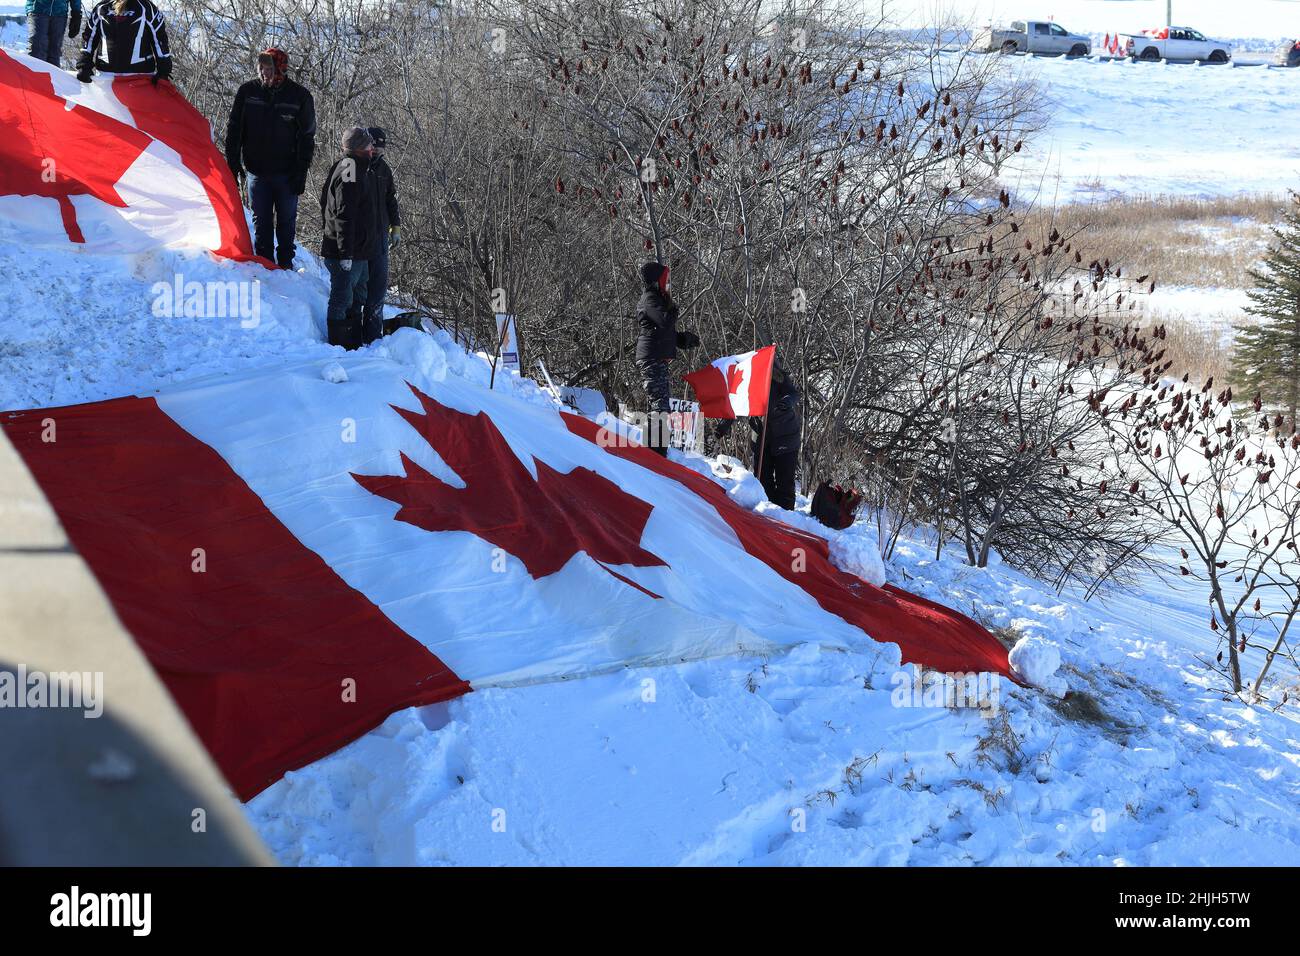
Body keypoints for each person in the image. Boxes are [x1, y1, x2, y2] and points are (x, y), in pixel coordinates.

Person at [225, 49, 317, 269]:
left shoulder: (300, 96)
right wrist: (233, 161)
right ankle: (266, 267)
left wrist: (301, 172)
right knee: (261, 223)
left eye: (268, 68)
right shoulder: (247, 92)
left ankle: (285, 265)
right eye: (261, 67)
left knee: (286, 223)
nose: (263, 73)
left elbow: (307, 137)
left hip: (287, 174)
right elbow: (234, 128)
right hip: (256, 171)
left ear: (280, 70)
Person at [320, 127, 381, 350]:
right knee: (342, 298)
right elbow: (343, 214)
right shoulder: (349, 169)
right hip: (346, 252)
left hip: (360, 251)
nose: (372, 149)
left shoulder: (358, 168)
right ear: (356, 148)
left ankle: (353, 342)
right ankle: (339, 345)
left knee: (358, 296)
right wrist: (345, 252)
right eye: (367, 145)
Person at [716, 360, 802, 510]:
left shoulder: (778, 377)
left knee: (785, 480)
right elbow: (737, 405)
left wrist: (787, 401)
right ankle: (767, 511)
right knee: (762, 478)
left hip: (785, 436)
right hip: (762, 438)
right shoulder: (748, 382)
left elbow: (794, 393)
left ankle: (785, 515)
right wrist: (724, 426)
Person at [635, 262, 698, 456]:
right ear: (657, 281)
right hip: (651, 357)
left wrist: (682, 340)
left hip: (656, 356)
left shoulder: (656, 298)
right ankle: (654, 454)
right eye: (666, 280)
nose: (669, 284)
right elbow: (665, 320)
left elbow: (663, 330)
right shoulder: (650, 298)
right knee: (659, 405)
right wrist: (673, 308)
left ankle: (655, 451)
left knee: (661, 404)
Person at [362, 127, 400, 344]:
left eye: (380, 148)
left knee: (377, 289)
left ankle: (373, 336)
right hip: (359, 239)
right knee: (359, 289)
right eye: (373, 146)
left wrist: (396, 226)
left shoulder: (384, 169)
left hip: (380, 238)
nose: (376, 151)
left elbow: (391, 199)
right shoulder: (354, 167)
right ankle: (353, 334)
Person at [75, 0, 170, 84]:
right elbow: (89, 38)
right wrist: (84, 64)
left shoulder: (147, 8)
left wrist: (164, 71)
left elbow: (160, 39)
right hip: (106, 78)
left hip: (140, 78)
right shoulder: (101, 8)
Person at [26, 0, 80, 67]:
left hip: (60, 12)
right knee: (37, 46)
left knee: (54, 52)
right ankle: (33, 75)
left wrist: (76, 13)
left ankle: (53, 76)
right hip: (38, 8)